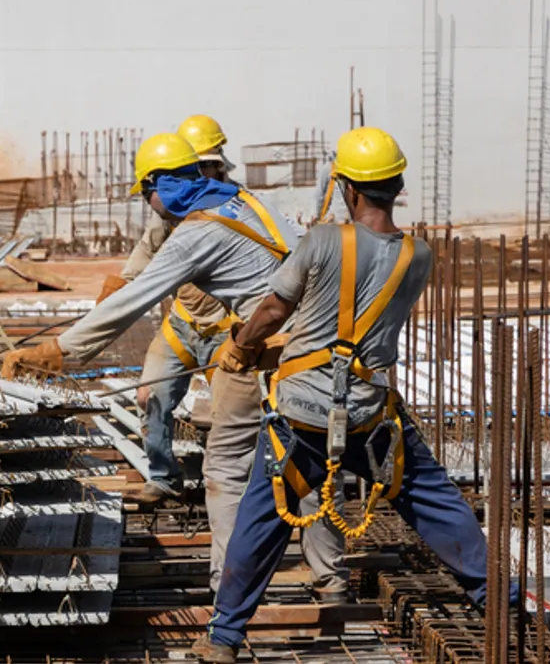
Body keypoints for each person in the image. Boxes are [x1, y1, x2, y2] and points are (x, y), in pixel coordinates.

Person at [191, 127, 494, 663]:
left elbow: (274, 309)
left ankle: (223, 638)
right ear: (396, 186)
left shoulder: (321, 240)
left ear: (347, 188)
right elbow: (356, 319)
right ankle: (497, 599)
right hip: (368, 417)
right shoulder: (418, 256)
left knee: (261, 520)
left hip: (302, 417)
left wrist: (240, 346)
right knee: (434, 500)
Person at [3, 132, 345, 597]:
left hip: (267, 351)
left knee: (226, 471)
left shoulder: (194, 234)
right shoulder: (244, 201)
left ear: (160, 186)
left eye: (146, 192)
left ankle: (229, 591)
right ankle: (331, 579)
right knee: (309, 462)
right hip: (318, 348)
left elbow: (134, 300)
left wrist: (58, 351)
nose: (147, 203)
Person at [96, 115, 243, 503]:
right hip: (182, 324)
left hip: (227, 330)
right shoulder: (171, 216)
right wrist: (117, 291)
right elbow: (143, 258)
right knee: (149, 397)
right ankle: (164, 478)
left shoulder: (238, 208)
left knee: (232, 414)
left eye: (201, 167)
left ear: (217, 167)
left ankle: (231, 488)